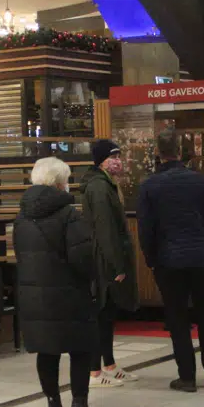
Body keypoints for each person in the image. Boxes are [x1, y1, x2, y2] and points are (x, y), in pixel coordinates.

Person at [16, 157, 111, 407]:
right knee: (81, 348)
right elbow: (83, 259)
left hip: (35, 296)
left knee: (47, 351)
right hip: (70, 294)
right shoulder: (69, 215)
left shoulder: (21, 216)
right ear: (60, 183)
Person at [138, 130, 204, 392]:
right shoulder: (197, 181)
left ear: (159, 152)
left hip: (168, 261)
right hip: (199, 257)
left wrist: (152, 260)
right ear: (180, 151)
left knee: (177, 320)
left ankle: (186, 377)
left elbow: (146, 229)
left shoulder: (149, 185)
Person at [80, 139, 139, 387]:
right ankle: (94, 371)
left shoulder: (106, 184)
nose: (118, 161)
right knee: (101, 315)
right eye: (113, 157)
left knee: (108, 315)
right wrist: (117, 266)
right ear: (102, 161)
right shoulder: (99, 188)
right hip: (104, 261)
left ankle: (110, 364)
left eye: (118, 156)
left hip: (107, 259)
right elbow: (106, 230)